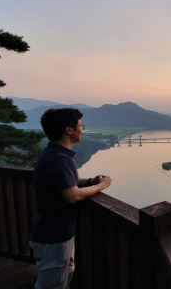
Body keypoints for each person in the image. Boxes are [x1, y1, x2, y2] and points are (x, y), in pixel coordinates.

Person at [29, 108, 112, 289]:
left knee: (63, 275)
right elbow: (72, 195)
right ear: (69, 130)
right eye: (80, 126)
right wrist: (101, 186)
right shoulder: (58, 159)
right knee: (51, 285)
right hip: (54, 237)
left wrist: (90, 181)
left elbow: (66, 183)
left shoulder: (54, 155)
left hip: (55, 234)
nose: (82, 129)